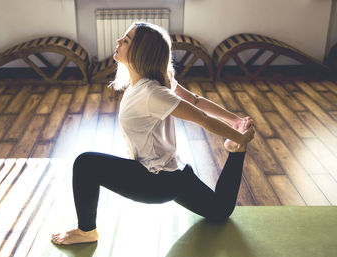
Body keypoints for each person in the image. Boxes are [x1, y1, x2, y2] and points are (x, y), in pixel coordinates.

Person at [51, 22, 255, 245]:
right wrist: (235, 122)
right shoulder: (158, 80)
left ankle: (86, 231)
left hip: (153, 181)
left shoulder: (152, 92)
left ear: (141, 52)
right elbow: (196, 100)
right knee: (219, 211)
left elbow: (202, 118)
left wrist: (239, 134)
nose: (118, 41)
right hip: (173, 174)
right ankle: (237, 153)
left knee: (85, 164)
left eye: (126, 40)